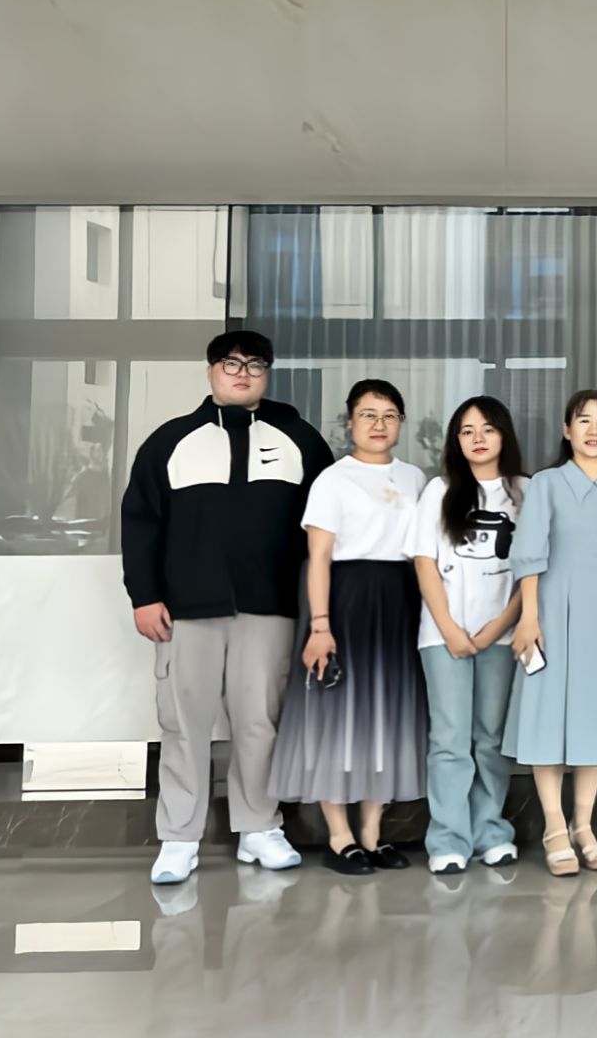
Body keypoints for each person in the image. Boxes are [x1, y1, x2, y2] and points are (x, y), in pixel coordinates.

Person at [123, 330, 334, 886]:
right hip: (185, 610)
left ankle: (259, 827)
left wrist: (318, 611)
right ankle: (178, 837)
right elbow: (140, 523)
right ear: (211, 370)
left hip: (270, 608)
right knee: (183, 725)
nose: (243, 373)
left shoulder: (301, 441)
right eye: (231, 363)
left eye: (255, 364)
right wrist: (144, 595)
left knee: (260, 723)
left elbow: (325, 532)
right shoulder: (170, 441)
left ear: (268, 373)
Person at [268, 379, 430, 876]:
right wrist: (320, 625)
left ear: (401, 423)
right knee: (336, 714)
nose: (379, 424)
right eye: (367, 415)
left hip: (400, 600)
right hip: (344, 599)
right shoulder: (333, 480)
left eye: (389, 415)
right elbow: (318, 557)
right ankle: (340, 837)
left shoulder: (415, 478)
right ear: (349, 422)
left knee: (386, 712)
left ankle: (373, 834)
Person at [503, 390, 597, 876]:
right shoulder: (547, 484)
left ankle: (584, 826)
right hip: (551, 611)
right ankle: (554, 828)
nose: (594, 430)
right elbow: (528, 554)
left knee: (592, 723)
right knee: (548, 720)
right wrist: (528, 617)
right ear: (567, 430)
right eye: (583, 420)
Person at [409, 396, 526, 875]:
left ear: (504, 435)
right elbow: (425, 563)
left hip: (503, 635)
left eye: (488, 429)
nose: (478, 439)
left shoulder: (524, 492)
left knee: (490, 739)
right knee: (450, 739)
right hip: (443, 638)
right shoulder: (439, 490)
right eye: (467, 431)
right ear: (455, 441)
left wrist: (500, 625)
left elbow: (531, 572)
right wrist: (450, 629)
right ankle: (448, 839)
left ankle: (490, 832)